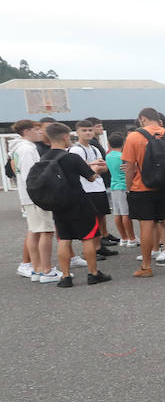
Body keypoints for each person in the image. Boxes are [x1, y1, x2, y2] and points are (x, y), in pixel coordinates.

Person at [123, 108, 165, 277]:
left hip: (142, 187)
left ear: (142, 119)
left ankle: (146, 267)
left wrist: (128, 186)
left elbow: (130, 166)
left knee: (146, 224)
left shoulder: (133, 137)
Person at [43, 123, 112, 287]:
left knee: (64, 240)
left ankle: (66, 277)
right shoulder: (71, 157)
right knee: (87, 238)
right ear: (65, 137)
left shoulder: (44, 158)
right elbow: (91, 177)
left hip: (58, 204)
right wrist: (96, 168)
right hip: (79, 202)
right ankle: (93, 273)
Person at [11, 120, 59, 282]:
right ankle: (45, 270)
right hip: (35, 195)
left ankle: (37, 269)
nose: (40, 132)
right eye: (36, 129)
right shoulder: (27, 149)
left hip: (27, 195)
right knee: (46, 231)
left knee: (35, 231)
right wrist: (42, 194)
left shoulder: (19, 148)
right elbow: (32, 175)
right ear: (26, 131)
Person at [69, 119, 113, 252]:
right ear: (77, 132)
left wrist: (95, 167)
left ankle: (99, 245)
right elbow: (80, 170)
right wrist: (94, 166)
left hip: (98, 186)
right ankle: (90, 248)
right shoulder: (75, 150)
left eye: (89, 130)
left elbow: (104, 168)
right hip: (86, 189)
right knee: (89, 220)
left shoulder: (94, 148)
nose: (88, 133)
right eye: (84, 130)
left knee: (100, 217)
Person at [105, 131, 135, 247]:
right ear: (123, 144)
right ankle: (131, 238)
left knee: (117, 213)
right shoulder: (123, 156)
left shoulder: (108, 156)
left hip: (113, 186)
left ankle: (123, 238)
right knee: (126, 213)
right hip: (123, 186)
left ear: (109, 144)